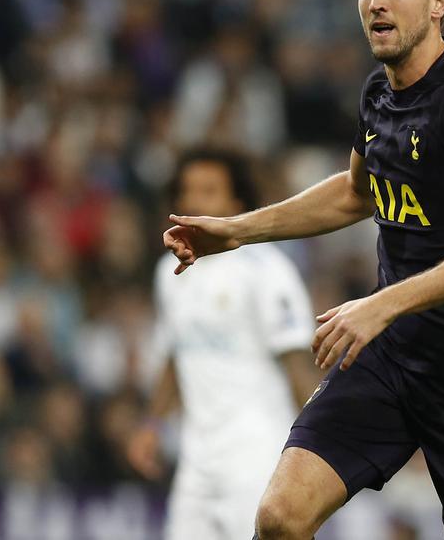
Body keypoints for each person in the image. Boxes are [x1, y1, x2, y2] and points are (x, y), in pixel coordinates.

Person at [162, 0, 444, 540]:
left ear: (438, 1)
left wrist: (381, 304)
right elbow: (355, 192)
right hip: (389, 362)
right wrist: (238, 230)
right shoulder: (378, 93)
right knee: (279, 518)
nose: (376, 1)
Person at [128, 148, 319, 540]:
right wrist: (152, 424)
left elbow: (299, 372)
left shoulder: (267, 271)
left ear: (235, 203)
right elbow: (174, 357)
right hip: (195, 460)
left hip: (258, 455)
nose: (194, 201)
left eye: (209, 190)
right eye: (188, 190)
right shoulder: (169, 273)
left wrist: (322, 454)